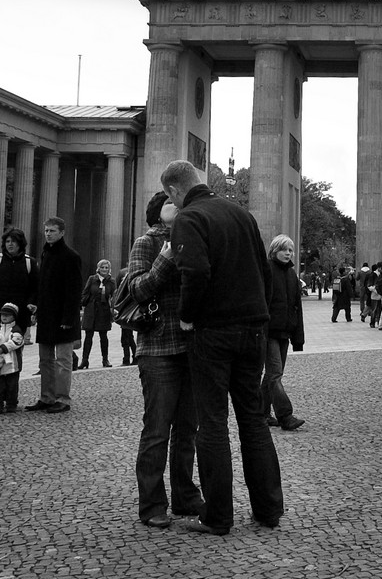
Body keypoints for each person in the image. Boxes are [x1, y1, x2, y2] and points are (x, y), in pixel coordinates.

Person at [160, 159, 282, 535]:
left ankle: (218, 516)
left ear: (174, 191)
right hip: (254, 330)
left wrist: (186, 315)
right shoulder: (242, 215)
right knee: (253, 420)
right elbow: (264, 274)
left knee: (212, 422)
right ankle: (268, 509)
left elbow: (195, 272)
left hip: (214, 331)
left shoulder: (190, 218)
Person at [124, 191, 203, 528]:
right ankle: (152, 502)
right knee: (157, 429)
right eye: (172, 203)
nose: (179, 205)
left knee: (187, 430)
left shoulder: (194, 238)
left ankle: (185, 495)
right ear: (158, 212)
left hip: (190, 347)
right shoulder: (146, 242)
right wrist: (166, 258)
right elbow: (137, 290)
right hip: (157, 348)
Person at [0, 229, 38, 410]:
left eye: (14, 241)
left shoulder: (29, 263)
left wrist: (33, 306)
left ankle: (10, 399)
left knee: (13, 359)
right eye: (8, 241)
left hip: (17, 321)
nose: (10, 244)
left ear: (21, 244)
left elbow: (35, 289)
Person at [26, 218, 82, 414]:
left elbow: (74, 291)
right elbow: (43, 285)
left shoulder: (71, 256)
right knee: (45, 360)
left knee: (63, 361)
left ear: (62, 232)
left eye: (52, 231)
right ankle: (47, 397)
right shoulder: (46, 253)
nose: (48, 234)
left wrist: (68, 319)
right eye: (46, 230)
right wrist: (36, 306)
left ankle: (62, 399)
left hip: (64, 318)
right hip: (47, 316)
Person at [263, 234, 306, 431]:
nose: (288, 253)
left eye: (290, 250)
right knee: (275, 375)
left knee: (271, 376)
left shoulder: (292, 275)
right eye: (284, 249)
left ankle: (262, 414)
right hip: (269, 331)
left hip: (285, 332)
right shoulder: (266, 270)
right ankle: (285, 415)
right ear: (274, 250)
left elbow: (297, 307)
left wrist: (298, 338)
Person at [79, 259, 116, 369]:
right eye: (102, 267)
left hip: (103, 311)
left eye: (106, 267)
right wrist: (84, 303)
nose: (104, 269)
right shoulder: (92, 279)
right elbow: (85, 293)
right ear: (98, 268)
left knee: (103, 336)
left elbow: (115, 296)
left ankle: (105, 359)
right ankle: (85, 360)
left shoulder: (111, 281)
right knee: (88, 336)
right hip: (91, 310)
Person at [118, 261, 138, 366]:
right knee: (127, 336)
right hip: (131, 307)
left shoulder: (123, 273)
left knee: (126, 336)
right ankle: (133, 357)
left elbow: (118, 292)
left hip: (126, 308)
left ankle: (127, 358)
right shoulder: (135, 273)